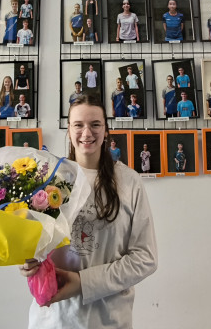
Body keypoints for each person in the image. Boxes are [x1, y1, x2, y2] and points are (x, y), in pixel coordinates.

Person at [21, 95, 157, 327]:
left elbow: (145, 259)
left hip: (108, 318)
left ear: (106, 130)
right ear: (68, 131)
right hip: (55, 318)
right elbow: (32, 243)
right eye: (78, 125)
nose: (87, 133)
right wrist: (26, 260)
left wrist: (83, 282)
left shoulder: (129, 181)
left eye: (95, 124)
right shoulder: (47, 180)